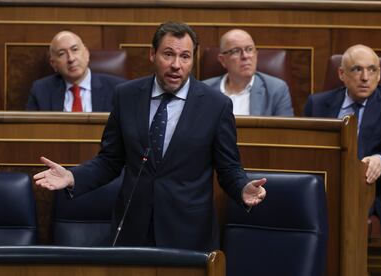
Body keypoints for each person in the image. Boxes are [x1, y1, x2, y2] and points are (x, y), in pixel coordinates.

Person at [33, 21, 267, 251]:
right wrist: (73, 177)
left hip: (189, 233)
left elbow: (228, 167)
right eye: (168, 54)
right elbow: (109, 161)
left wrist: (241, 187)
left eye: (185, 56)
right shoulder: (127, 96)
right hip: (134, 230)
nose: (176, 64)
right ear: (152, 55)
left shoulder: (216, 105)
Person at [304, 44, 381, 234]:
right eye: (356, 69)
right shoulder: (318, 104)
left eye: (372, 70)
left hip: (368, 188)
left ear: (379, 75)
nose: (365, 77)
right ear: (341, 74)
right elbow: (305, 151)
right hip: (324, 185)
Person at [26, 30, 126, 111]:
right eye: (62, 54)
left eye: (75, 49)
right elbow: (31, 132)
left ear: (86, 54)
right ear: (54, 64)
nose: (71, 59)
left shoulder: (118, 89)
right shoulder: (40, 91)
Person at [202, 29, 293, 116]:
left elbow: (286, 131)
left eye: (249, 49)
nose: (245, 56)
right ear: (223, 60)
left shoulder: (276, 90)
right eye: (236, 51)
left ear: (256, 55)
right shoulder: (204, 90)